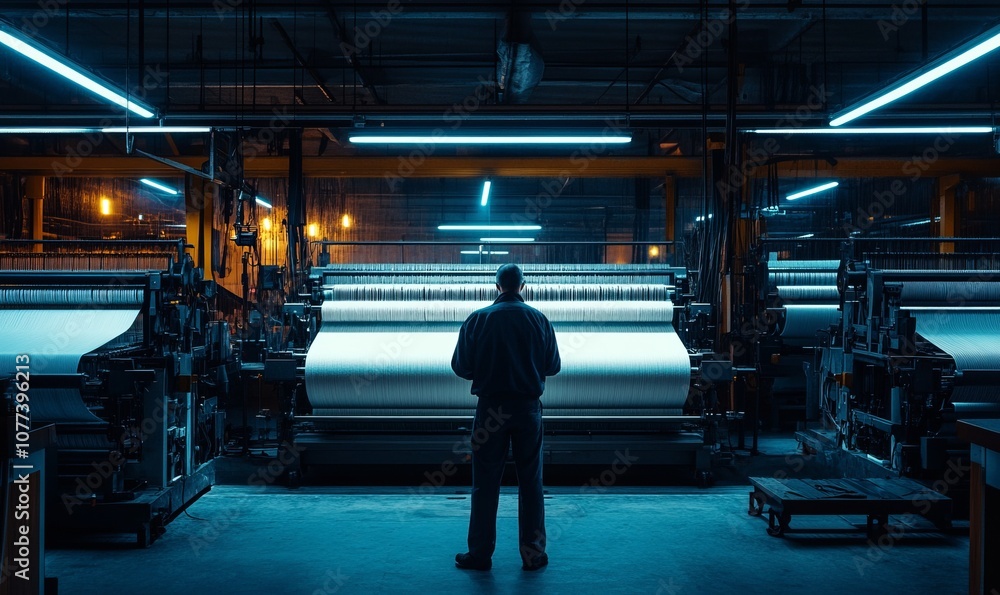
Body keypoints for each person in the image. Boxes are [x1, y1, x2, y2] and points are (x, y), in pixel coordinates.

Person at [451, 263, 561, 572]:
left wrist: (486, 371)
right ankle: (533, 554)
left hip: (490, 410)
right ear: (522, 286)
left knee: (485, 483)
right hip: (527, 409)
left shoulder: (478, 319)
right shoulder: (539, 320)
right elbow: (553, 366)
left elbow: (460, 366)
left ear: (496, 286)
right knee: (531, 483)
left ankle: (480, 555)